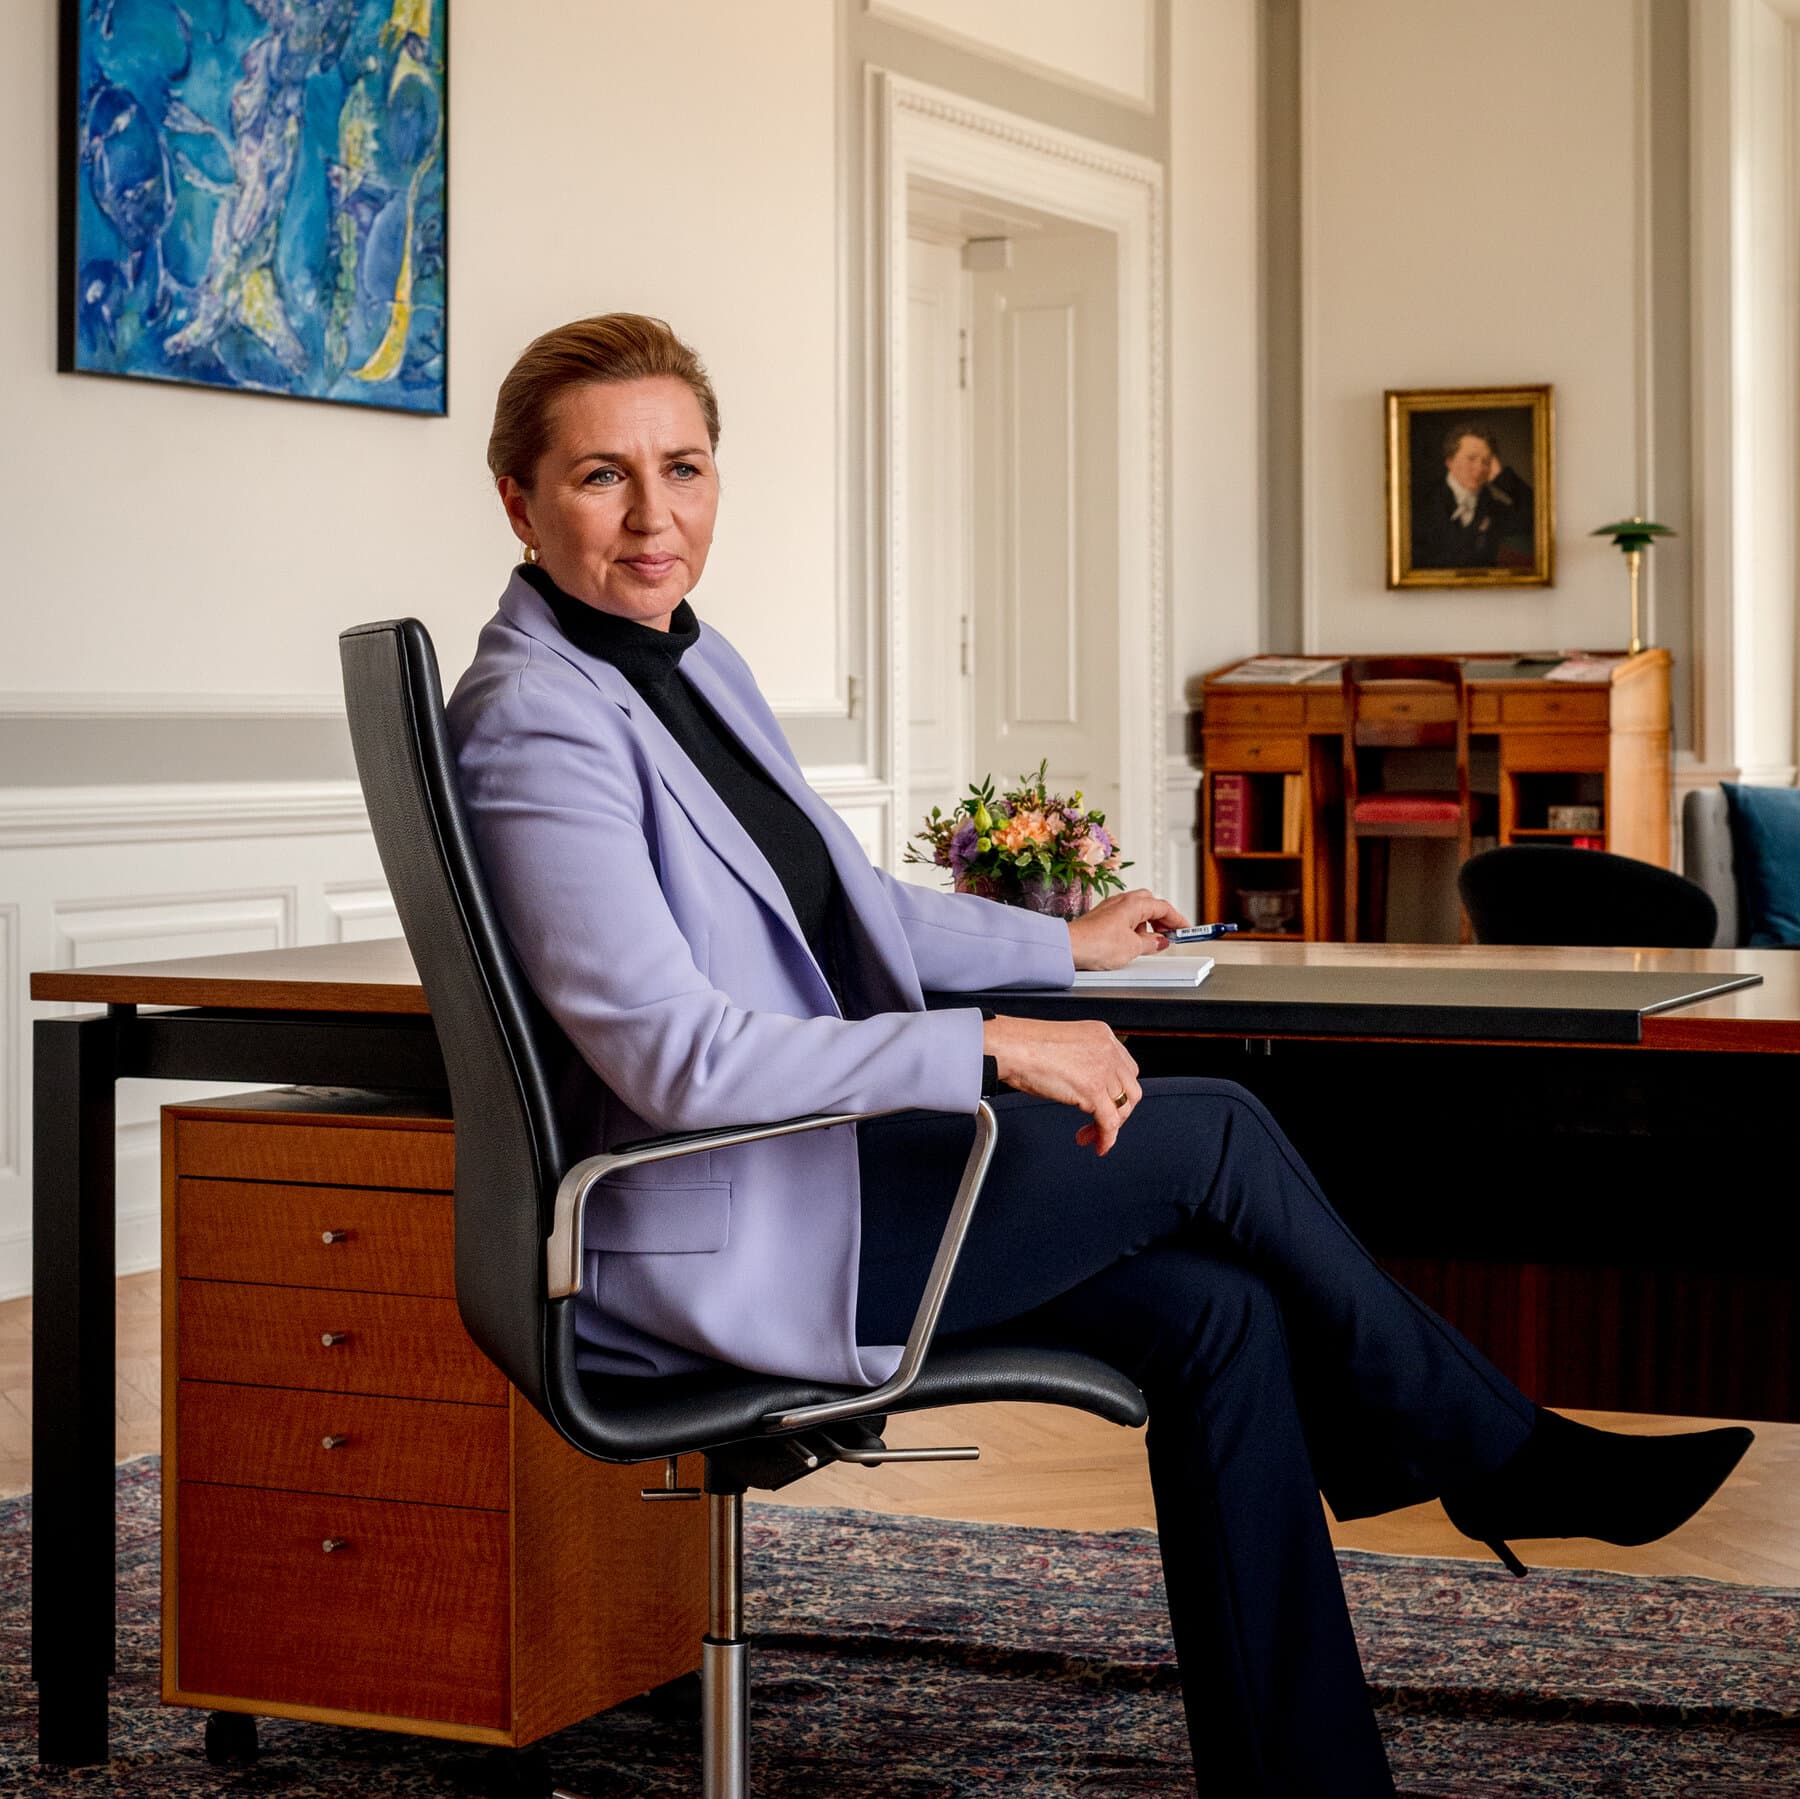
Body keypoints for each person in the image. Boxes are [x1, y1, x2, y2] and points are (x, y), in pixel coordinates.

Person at [447, 315, 1750, 1797]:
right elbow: (676, 1057)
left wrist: (1060, 945)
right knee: (1216, 1129)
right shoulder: (536, 722)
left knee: (1219, 1311)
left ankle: (1312, 1774)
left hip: (821, 1187)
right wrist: (985, 1042)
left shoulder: (682, 660)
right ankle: (1500, 1455)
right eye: (602, 475)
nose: (654, 514)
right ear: (520, 500)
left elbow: (846, 905)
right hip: (737, 1242)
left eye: (681, 466)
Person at [1411, 422, 1536, 570]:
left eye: (1486, 461)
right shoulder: (1421, 503)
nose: (1480, 468)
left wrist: (1502, 477)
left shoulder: (1493, 508)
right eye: (1471, 458)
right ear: (1450, 462)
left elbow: (1538, 515)